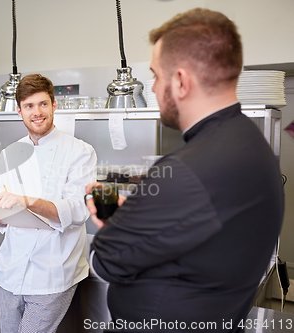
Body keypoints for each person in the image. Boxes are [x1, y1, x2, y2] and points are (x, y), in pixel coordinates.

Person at [85, 8, 284, 333]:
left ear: (179, 81)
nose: (152, 87)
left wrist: (119, 222)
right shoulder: (252, 145)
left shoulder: (185, 171)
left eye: (155, 75)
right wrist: (136, 218)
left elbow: (103, 261)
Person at [0, 74, 97, 333]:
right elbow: (1, 209)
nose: (37, 112)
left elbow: (77, 209)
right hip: (11, 269)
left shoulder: (80, 151)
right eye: (29, 106)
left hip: (53, 272)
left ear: (54, 105)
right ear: (19, 111)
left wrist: (25, 202)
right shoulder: (10, 153)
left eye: (43, 104)